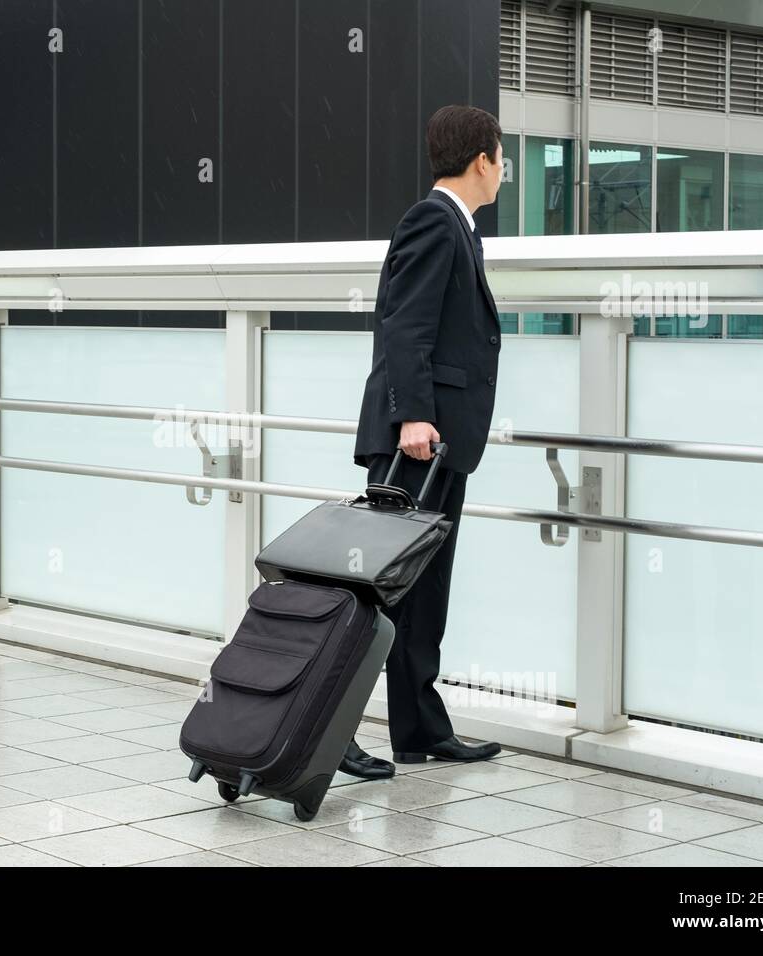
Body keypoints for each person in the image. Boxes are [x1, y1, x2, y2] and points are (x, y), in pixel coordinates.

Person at [339, 104, 505, 779]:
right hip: (419, 440)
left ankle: (420, 730)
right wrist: (412, 419)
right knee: (375, 592)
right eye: (502, 159)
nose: (504, 173)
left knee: (424, 590)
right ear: (482, 160)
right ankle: (331, 727)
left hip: (440, 440)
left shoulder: (455, 228)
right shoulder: (433, 221)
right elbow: (403, 325)